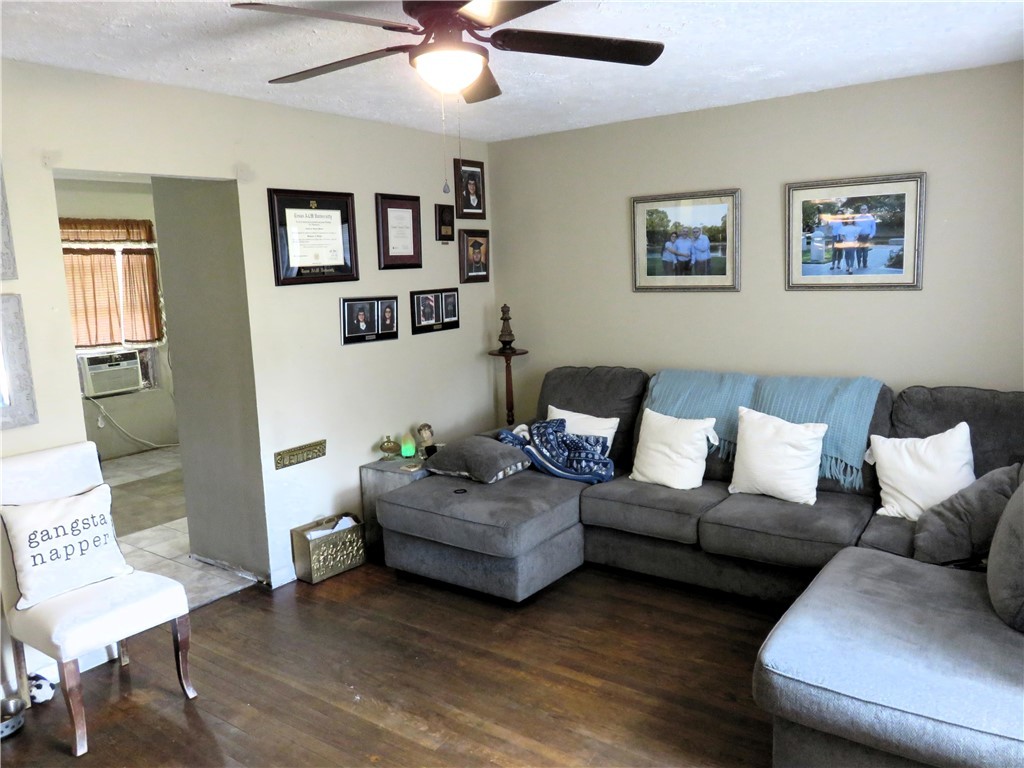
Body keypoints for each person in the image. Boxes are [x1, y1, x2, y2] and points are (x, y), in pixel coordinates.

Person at [853, 204, 876, 269]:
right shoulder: (856, 217)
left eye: (865, 209)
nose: (863, 210)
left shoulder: (871, 218)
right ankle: (858, 264)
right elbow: (854, 227)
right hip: (858, 237)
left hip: (867, 237)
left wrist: (871, 235)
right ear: (860, 210)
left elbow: (873, 227)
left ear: (867, 210)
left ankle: (865, 264)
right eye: (862, 209)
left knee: (865, 252)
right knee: (858, 252)